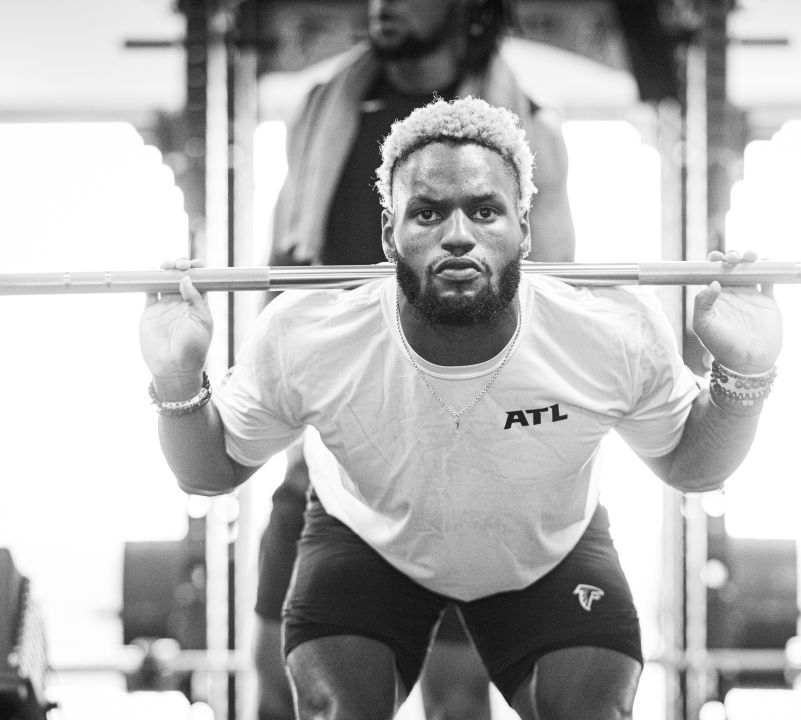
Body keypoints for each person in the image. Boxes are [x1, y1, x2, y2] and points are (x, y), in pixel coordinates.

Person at [140, 96, 783, 720]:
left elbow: (693, 467)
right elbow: (210, 470)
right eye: (427, 213)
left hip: (548, 548)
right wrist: (174, 377)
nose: (457, 236)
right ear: (390, 233)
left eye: (484, 211)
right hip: (369, 540)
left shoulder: (608, 329)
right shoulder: (309, 335)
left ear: (524, 229)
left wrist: (744, 372)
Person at [261, 1, 575, 718]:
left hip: (463, 436)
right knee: (281, 680)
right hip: (339, 422)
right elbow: (284, 263)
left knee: (459, 699)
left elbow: (553, 284)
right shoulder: (322, 109)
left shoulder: (526, 122)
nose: (382, 5)